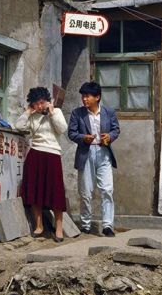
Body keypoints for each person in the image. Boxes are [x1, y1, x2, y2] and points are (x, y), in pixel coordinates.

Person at [15, 86, 68, 242]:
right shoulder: (32, 116)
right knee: (35, 191)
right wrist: (27, 112)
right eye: (36, 103)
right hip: (35, 154)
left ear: (48, 101)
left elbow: (62, 129)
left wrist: (51, 113)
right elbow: (19, 126)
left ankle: (58, 229)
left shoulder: (56, 113)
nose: (39, 106)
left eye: (42, 102)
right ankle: (39, 226)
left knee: (56, 193)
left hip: (53, 155)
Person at [68, 81, 120, 237]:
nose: (84, 99)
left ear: (97, 97)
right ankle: (85, 224)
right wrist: (84, 138)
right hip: (86, 153)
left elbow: (116, 129)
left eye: (87, 96)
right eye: (83, 96)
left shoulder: (108, 113)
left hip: (104, 153)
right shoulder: (77, 113)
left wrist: (109, 136)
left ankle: (107, 225)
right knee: (85, 191)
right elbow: (71, 133)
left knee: (107, 190)